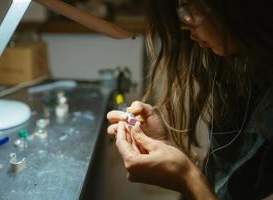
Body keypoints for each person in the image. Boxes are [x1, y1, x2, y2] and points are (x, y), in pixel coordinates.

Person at [107, 0, 273, 199]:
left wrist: (187, 178)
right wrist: (174, 152)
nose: (181, 25)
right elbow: (228, 186)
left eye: (186, 6)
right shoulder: (245, 67)